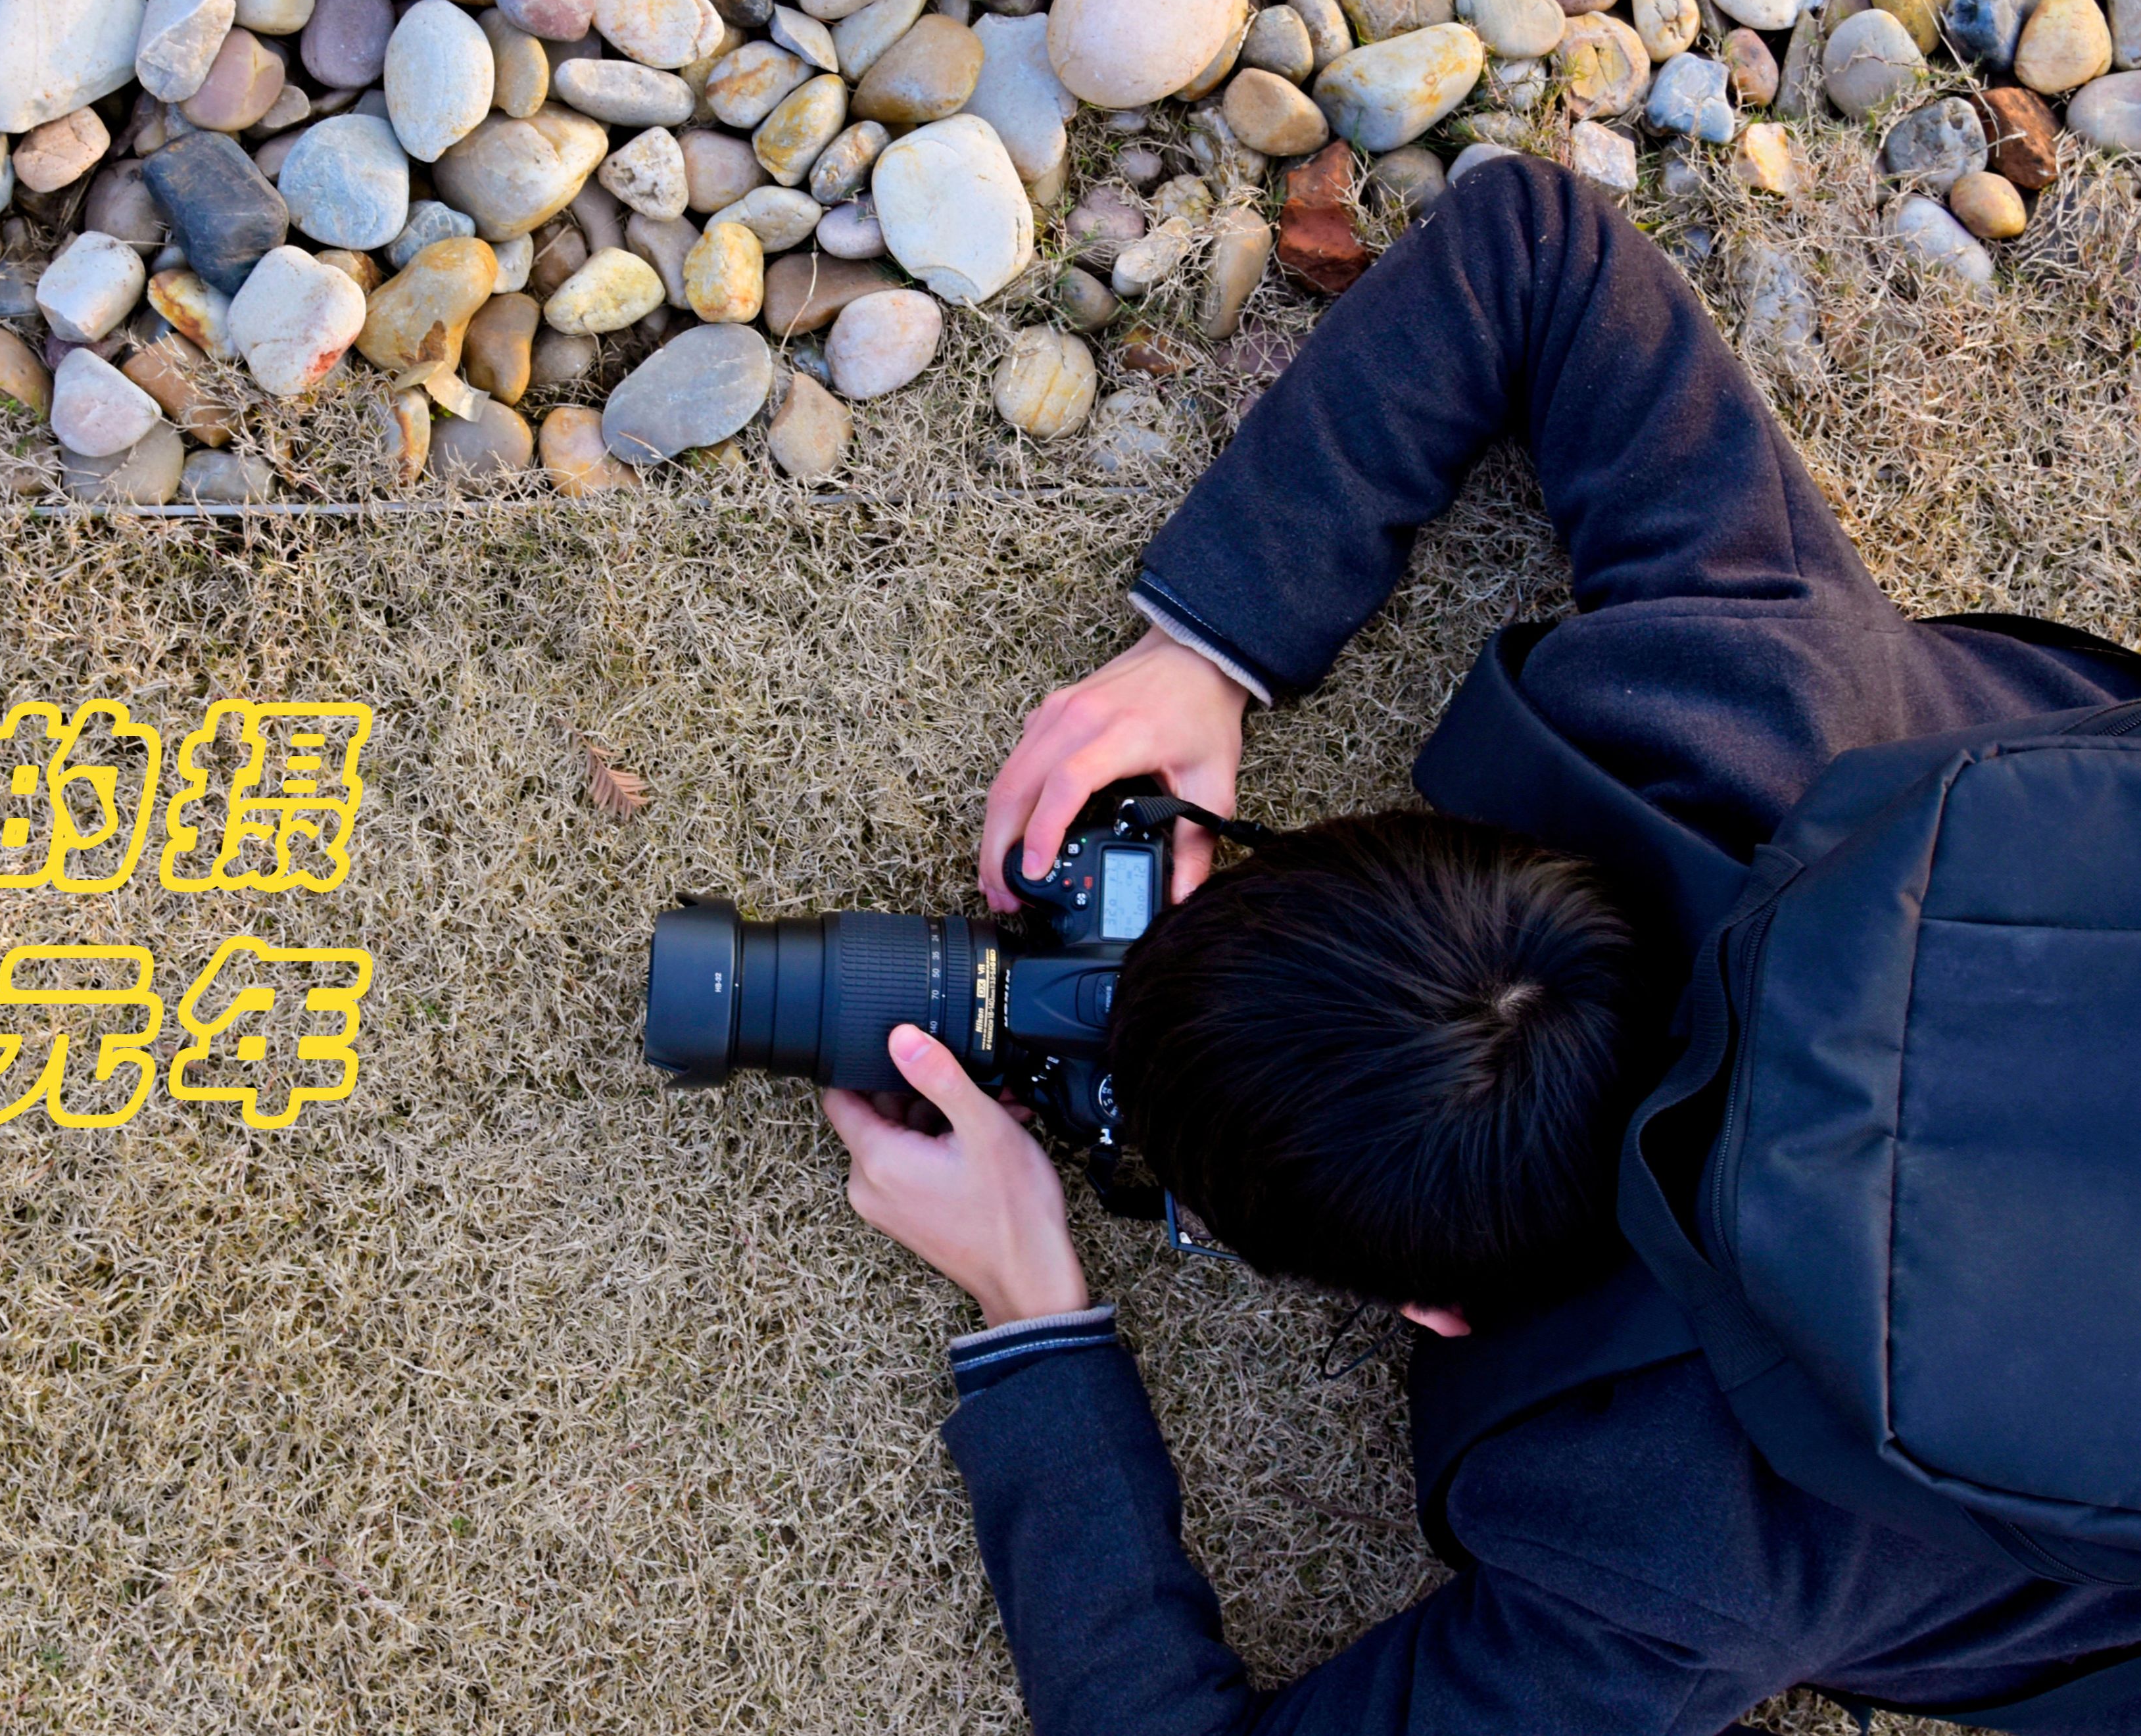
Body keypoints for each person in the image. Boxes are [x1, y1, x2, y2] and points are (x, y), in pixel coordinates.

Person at [818, 156, 2141, 1733]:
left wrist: (1036, 1312)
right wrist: (1203, 651)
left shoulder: (1665, 1545)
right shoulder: (1747, 705)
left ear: (1437, 1318)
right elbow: (1535, 247)